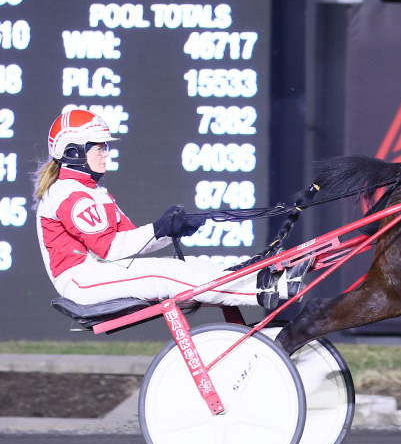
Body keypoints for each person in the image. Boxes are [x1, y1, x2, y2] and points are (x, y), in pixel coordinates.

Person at [33, 109, 305, 309]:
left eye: (105, 147)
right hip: (80, 280)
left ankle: (261, 279)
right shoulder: (69, 194)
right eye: (99, 147)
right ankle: (270, 289)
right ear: (73, 152)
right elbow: (111, 250)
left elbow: (132, 245)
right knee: (164, 275)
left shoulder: (94, 191)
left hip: (99, 271)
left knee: (191, 265)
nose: (106, 153)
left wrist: (172, 230)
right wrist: (158, 228)